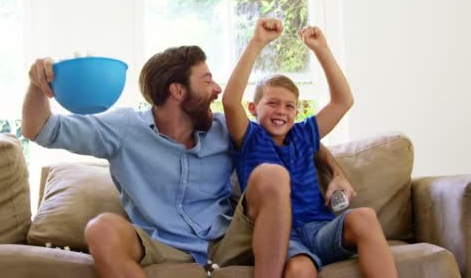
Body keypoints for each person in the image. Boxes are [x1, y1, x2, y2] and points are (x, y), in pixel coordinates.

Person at [22, 45, 354, 278]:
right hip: (162, 243)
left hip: (229, 237)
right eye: (207, 79)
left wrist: (336, 173)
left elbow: (295, 139)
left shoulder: (224, 128)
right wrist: (38, 86)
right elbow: (40, 129)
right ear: (178, 91)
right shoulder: (124, 129)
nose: (217, 88)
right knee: (101, 229)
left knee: (271, 174)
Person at [222, 17, 398, 278]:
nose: (281, 111)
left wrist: (321, 50)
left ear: (298, 111)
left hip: (319, 228)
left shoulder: (304, 134)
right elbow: (230, 100)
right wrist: (257, 43)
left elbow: (343, 100)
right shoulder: (250, 137)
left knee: (365, 216)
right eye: (272, 103)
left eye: (289, 105)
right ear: (253, 108)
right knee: (301, 268)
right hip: (282, 235)